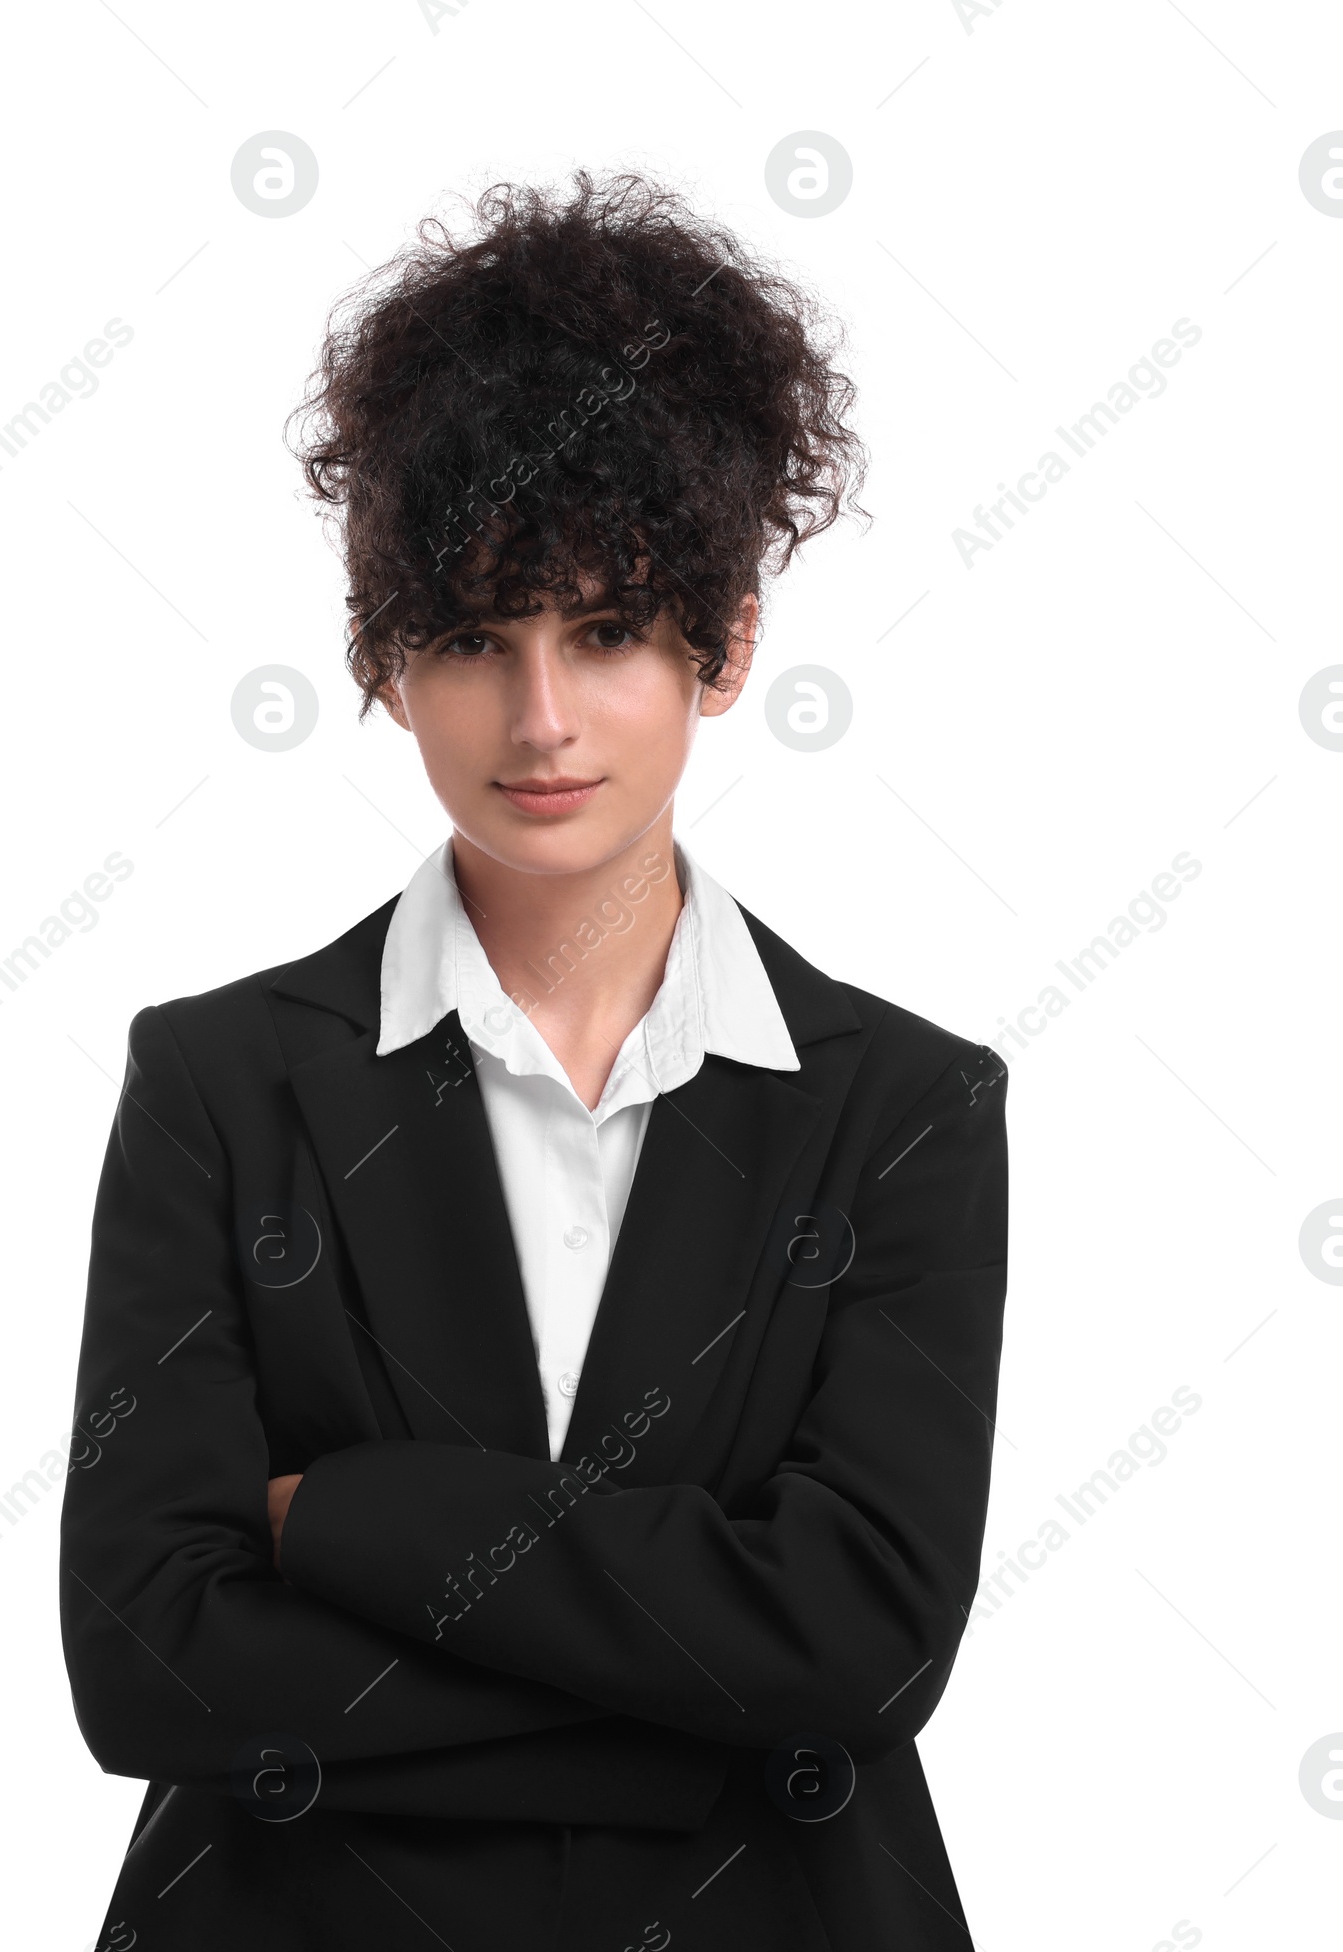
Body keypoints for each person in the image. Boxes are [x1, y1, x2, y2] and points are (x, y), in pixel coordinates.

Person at [59, 171, 1010, 1951]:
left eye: (607, 632)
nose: (544, 718)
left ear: (721, 650)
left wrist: (330, 1518)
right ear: (383, 668)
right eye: (473, 642)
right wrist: (696, 1710)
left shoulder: (906, 1109)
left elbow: (865, 1637)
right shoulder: (218, 1082)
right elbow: (145, 1658)